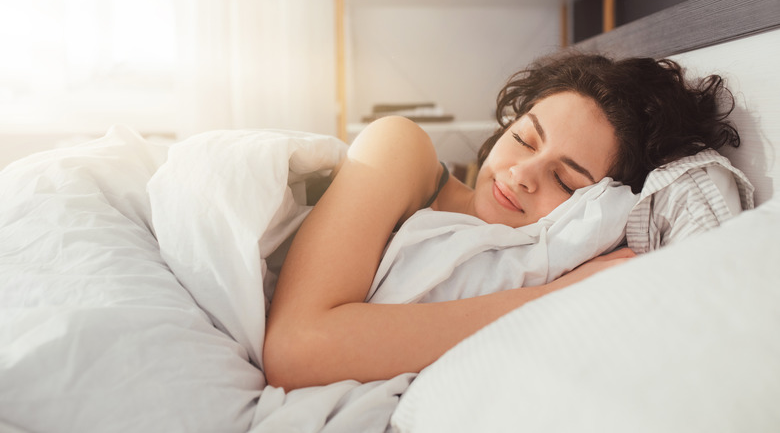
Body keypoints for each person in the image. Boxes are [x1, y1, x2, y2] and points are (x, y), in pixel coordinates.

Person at [263, 52, 740, 391]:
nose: (522, 174)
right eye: (525, 140)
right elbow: (295, 349)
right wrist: (551, 300)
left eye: (567, 181)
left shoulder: (536, 261)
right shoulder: (402, 148)